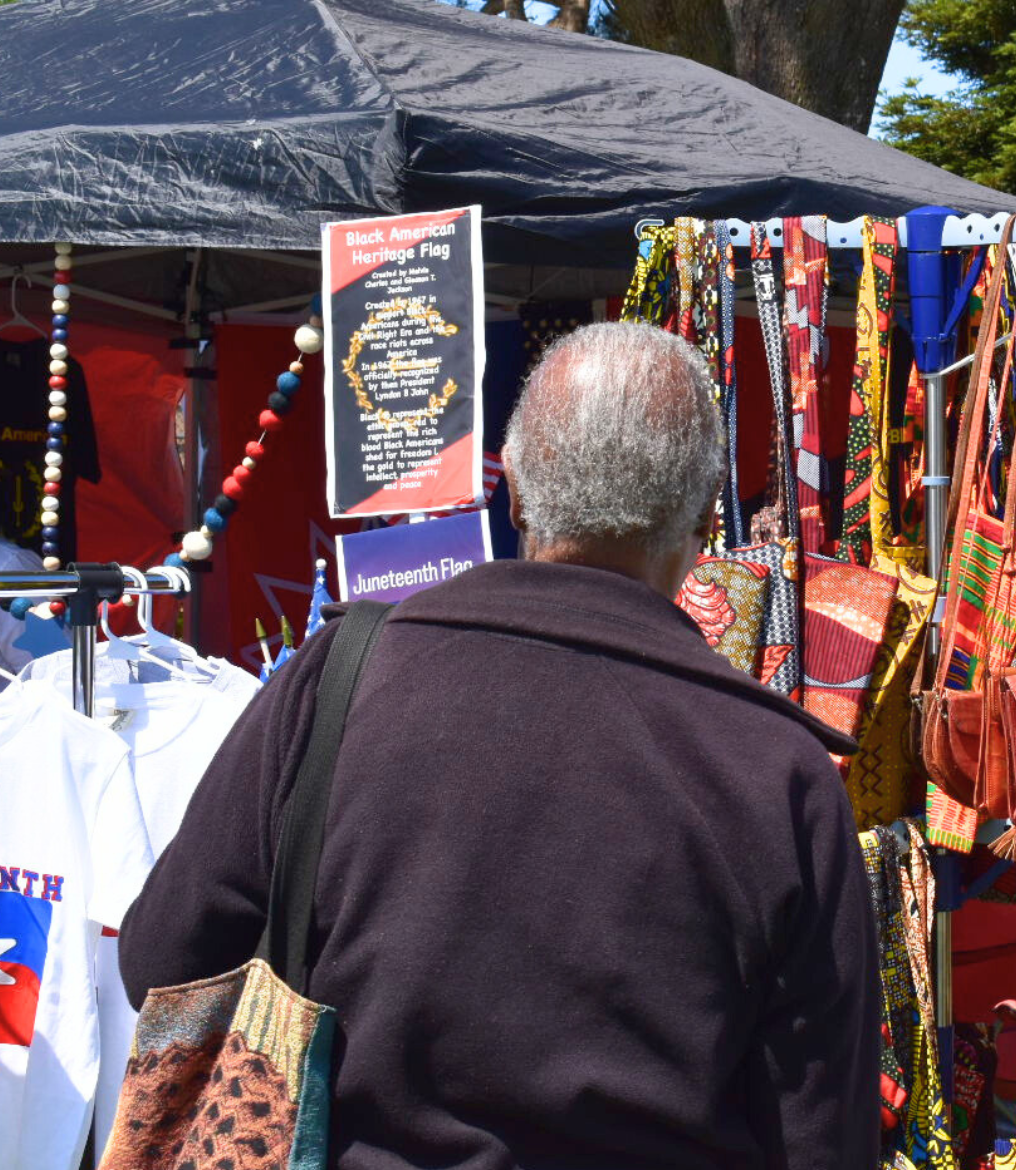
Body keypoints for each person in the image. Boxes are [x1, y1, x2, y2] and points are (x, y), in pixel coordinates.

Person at [119, 322, 878, 1170]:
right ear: (707, 514)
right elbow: (822, 1134)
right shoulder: (778, 772)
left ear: (512, 492)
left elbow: (162, 962)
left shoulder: (338, 681)